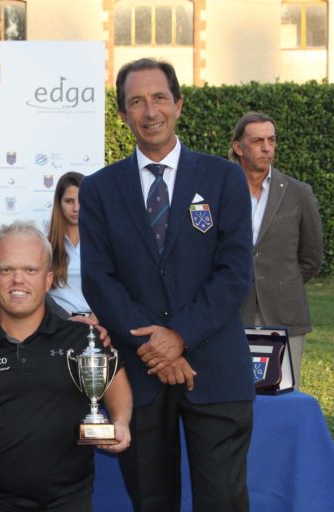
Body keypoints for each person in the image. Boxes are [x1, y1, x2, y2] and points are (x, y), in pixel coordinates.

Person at [79, 58, 255, 512]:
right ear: (122, 114)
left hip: (215, 369)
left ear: (178, 104)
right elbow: (99, 279)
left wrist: (179, 337)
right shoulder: (99, 189)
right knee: (151, 501)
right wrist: (155, 347)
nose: (149, 110)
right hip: (141, 374)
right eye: (136, 101)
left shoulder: (224, 178)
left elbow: (235, 271)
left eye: (159, 98)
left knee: (223, 500)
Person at [0, 221, 132, 512]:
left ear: (47, 279)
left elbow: (116, 383)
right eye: (7, 270)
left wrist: (120, 421)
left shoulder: (83, 338)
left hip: (66, 501)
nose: (18, 280)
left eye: (30, 270)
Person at [230, 112, 323, 388]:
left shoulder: (298, 193)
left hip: (285, 314)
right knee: (236, 395)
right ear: (238, 147)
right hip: (233, 313)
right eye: (257, 140)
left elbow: (311, 257)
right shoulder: (220, 190)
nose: (267, 147)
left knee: (284, 396)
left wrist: (282, 283)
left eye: (271, 140)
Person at [47, 172, 94, 319]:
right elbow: (38, 293)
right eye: (69, 201)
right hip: (59, 325)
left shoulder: (103, 244)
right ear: (59, 204)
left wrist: (97, 316)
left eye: (81, 200)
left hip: (100, 325)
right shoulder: (45, 247)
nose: (76, 208)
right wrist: (65, 319)